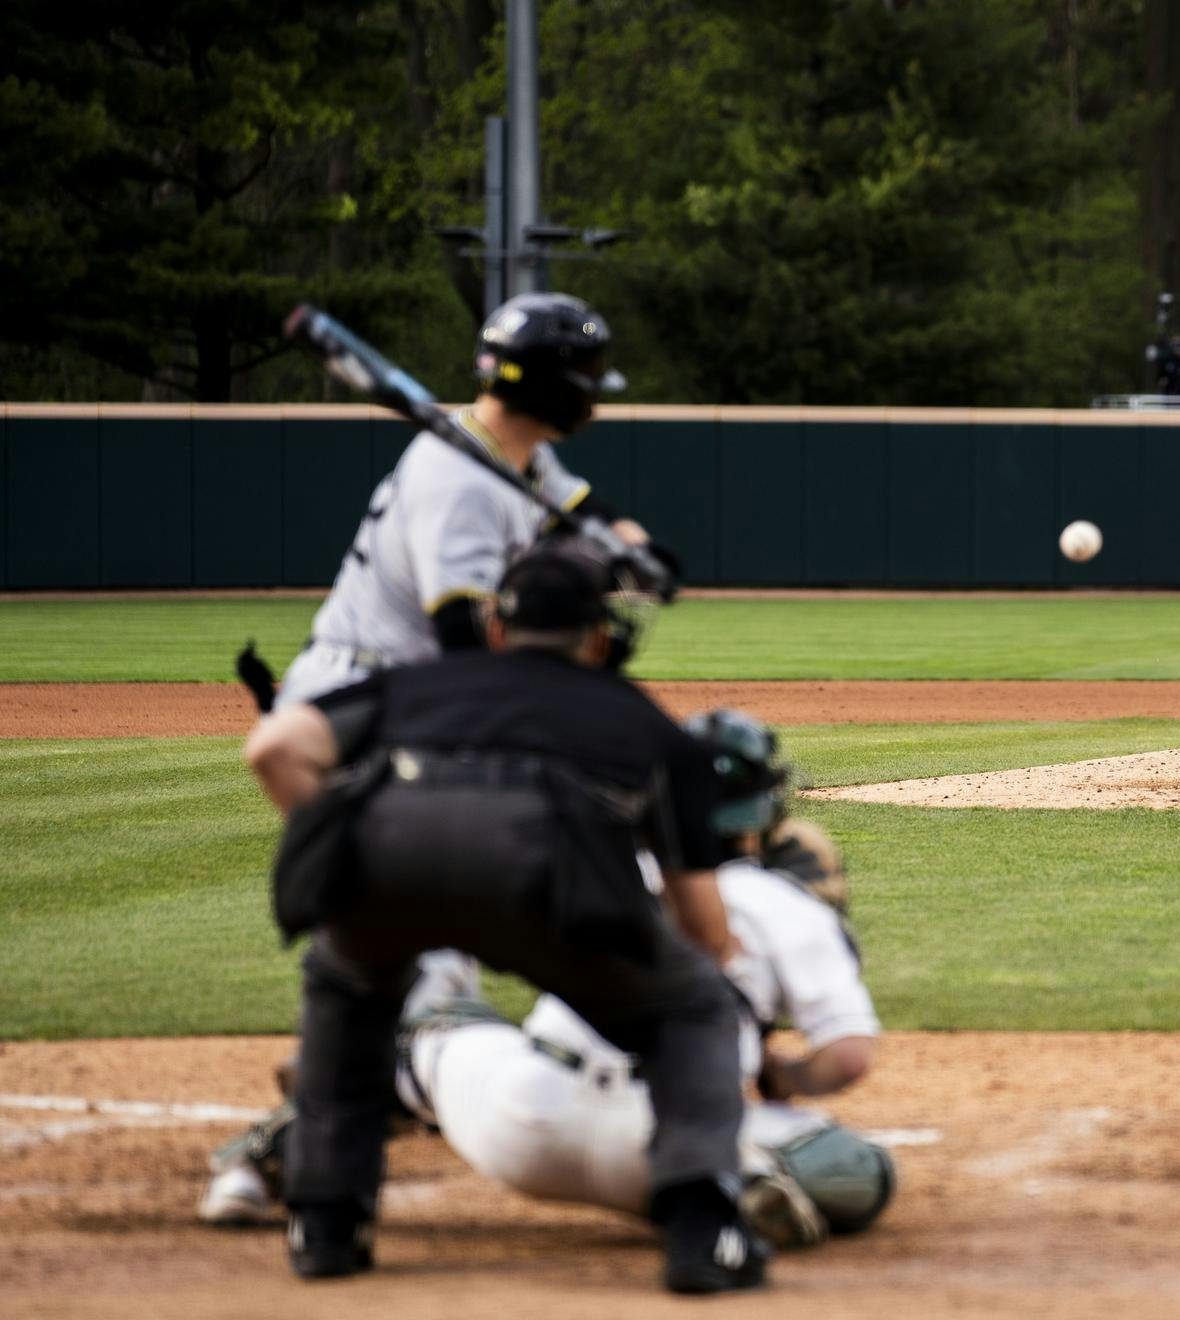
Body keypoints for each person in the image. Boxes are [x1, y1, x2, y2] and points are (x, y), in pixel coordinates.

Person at [241, 535, 766, 1294]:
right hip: (546, 874)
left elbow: (274, 746)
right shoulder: (645, 722)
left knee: (349, 992)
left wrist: (344, 847)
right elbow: (704, 927)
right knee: (693, 1010)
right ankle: (702, 1231)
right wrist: (702, 978)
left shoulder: (416, 684)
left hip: (387, 867)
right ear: (599, 637)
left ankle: (323, 1224)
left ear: (494, 627)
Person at [202, 742, 893, 1252]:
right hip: (672, 1147)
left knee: (433, 1030)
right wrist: (783, 1074)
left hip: (520, 1117)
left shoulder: (606, 865)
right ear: (757, 819)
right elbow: (849, 1059)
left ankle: (279, 1154)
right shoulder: (782, 901)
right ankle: (743, 1183)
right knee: (860, 1172)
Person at [268, 290, 649, 711]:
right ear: (554, 390)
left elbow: (585, 515)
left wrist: (637, 552)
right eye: (588, 379)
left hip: (417, 682)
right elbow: (464, 634)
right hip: (360, 694)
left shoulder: (521, 452)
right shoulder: (458, 481)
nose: (594, 398)